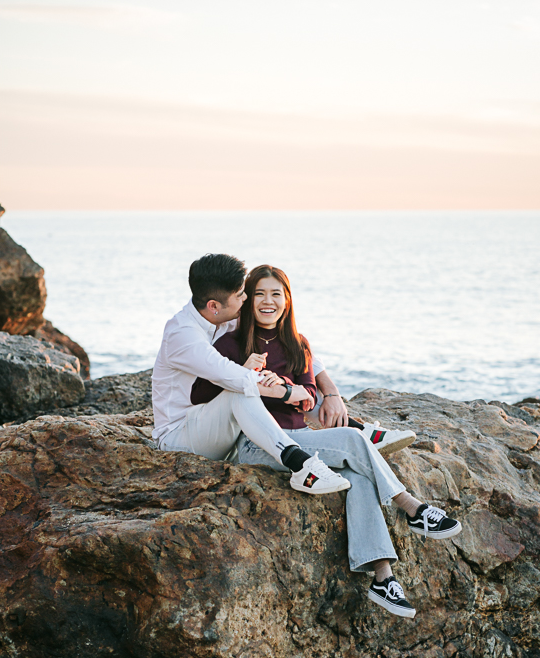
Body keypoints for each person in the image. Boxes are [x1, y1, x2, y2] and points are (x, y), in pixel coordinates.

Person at [191, 264, 463, 618]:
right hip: (259, 444)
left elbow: (307, 398)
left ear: (287, 300)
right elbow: (200, 393)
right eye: (259, 294)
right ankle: (411, 507)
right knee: (353, 439)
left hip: (301, 438)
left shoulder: (297, 343)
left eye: (276, 294)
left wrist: (285, 389)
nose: (268, 301)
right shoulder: (230, 342)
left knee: (360, 476)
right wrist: (243, 372)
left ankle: (383, 577)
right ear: (248, 301)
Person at [152, 254, 351, 496]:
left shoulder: (222, 317)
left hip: (217, 427)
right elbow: (237, 378)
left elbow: (297, 347)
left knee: (284, 384)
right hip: (180, 437)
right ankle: (300, 464)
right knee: (242, 391)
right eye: (240, 295)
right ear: (214, 306)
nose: (246, 299)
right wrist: (290, 391)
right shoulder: (183, 336)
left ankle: (358, 429)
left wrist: (331, 392)